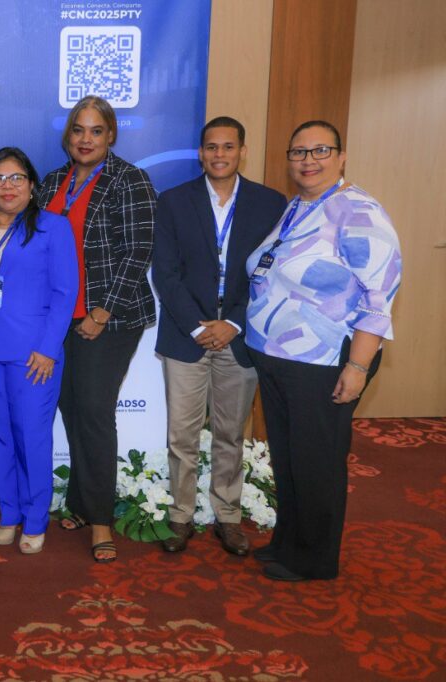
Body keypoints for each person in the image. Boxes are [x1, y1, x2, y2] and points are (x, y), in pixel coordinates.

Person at [245, 120, 402, 581]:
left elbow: (379, 298)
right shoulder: (298, 206)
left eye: (320, 151)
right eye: (299, 152)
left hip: (325, 360)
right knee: (288, 456)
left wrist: (358, 366)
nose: (308, 161)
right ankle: (288, 541)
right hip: (279, 356)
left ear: (341, 156)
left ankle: (314, 558)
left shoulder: (359, 211)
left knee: (317, 460)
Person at [152, 117, 287, 556]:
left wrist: (233, 323)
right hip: (185, 336)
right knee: (182, 435)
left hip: (240, 336)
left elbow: (272, 274)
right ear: (201, 153)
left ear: (242, 151)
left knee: (231, 433)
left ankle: (227, 516)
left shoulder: (270, 203)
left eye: (228, 146)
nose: (219, 154)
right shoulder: (174, 201)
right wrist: (197, 325)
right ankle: (181, 515)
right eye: (211, 147)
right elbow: (165, 273)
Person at [37, 95, 157, 563]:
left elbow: (138, 251)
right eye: (78, 130)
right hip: (60, 317)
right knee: (70, 408)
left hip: (110, 318)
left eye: (96, 131)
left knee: (93, 411)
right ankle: (82, 504)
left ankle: (101, 519)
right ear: (68, 135)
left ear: (111, 136)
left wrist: (102, 312)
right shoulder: (52, 182)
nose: (85, 139)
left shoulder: (130, 180)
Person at [0, 147, 77, 554]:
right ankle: (9, 514)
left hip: (34, 356)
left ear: (31, 185)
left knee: (32, 437)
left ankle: (35, 518)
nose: (7, 186)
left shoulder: (53, 227)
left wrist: (48, 349)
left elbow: (64, 293)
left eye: (16, 178)